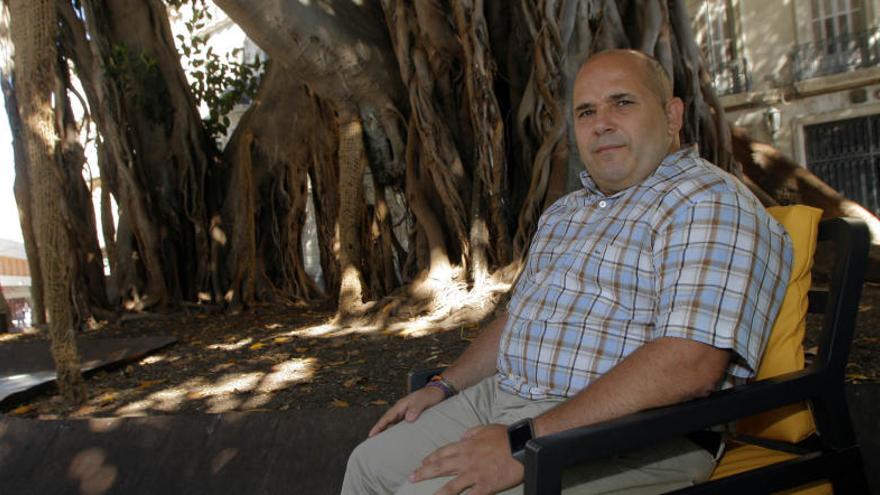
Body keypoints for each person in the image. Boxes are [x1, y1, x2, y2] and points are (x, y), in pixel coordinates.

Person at [342, 49, 792, 495]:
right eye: (586, 111)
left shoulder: (706, 202)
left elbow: (689, 367)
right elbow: (517, 322)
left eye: (623, 102)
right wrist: (444, 385)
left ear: (672, 115)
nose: (603, 123)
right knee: (368, 465)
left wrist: (523, 441)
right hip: (506, 399)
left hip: (637, 431)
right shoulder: (567, 212)